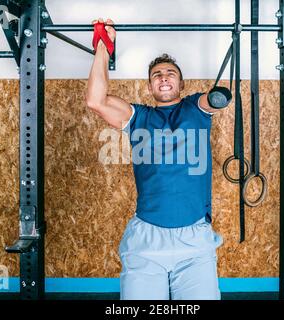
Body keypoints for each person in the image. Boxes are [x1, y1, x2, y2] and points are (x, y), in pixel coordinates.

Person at [86, 18, 229, 300]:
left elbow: (213, 100)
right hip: (146, 242)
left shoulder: (195, 110)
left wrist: (218, 97)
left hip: (195, 242)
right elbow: (95, 100)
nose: (164, 77)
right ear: (150, 87)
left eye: (170, 73)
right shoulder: (138, 117)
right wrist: (103, 44)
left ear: (181, 83)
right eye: (157, 75)